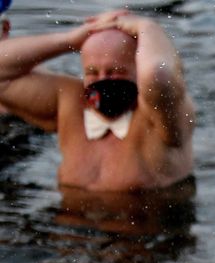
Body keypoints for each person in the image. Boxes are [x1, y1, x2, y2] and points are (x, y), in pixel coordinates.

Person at [0, 9, 194, 192]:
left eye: (116, 71)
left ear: (138, 70)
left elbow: (158, 76)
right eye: (92, 72)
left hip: (149, 223)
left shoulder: (164, 115)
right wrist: (70, 39)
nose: (103, 80)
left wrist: (147, 28)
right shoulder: (69, 101)